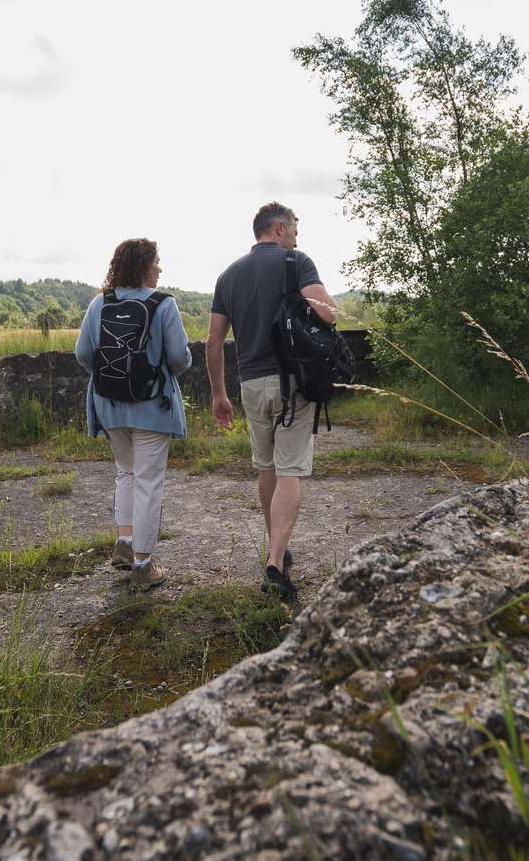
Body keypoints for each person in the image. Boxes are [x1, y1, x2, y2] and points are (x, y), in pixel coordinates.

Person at [207, 202, 337, 601]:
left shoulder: (227, 275)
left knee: (266, 467)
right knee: (291, 469)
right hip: (290, 383)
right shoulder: (295, 262)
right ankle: (276, 563)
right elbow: (328, 313)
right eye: (295, 227)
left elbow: (214, 341)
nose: (297, 234)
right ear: (278, 228)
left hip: (249, 384)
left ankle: (275, 547)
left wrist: (218, 394)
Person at [74, 239, 192, 590]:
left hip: (109, 405)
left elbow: (83, 353)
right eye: (157, 262)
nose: (160, 268)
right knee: (149, 482)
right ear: (143, 266)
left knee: (125, 473)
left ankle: (125, 545)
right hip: (152, 406)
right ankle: (143, 565)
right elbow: (181, 358)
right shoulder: (163, 304)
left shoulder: (100, 303)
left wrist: (114, 382)